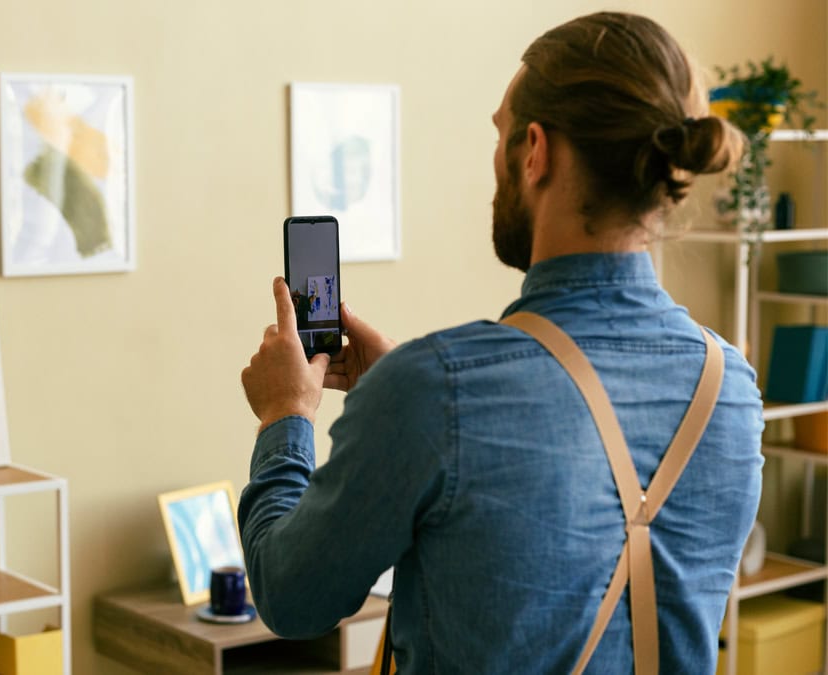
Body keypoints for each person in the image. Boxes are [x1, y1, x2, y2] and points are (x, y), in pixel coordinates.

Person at [238, 11, 763, 673]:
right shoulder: (732, 388)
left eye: (502, 134)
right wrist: (408, 391)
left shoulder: (433, 390)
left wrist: (285, 415)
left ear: (536, 150)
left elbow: (292, 596)